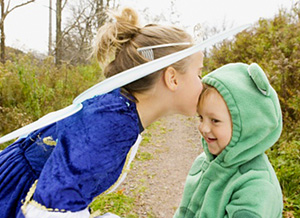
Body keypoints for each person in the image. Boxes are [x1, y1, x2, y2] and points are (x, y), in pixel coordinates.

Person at [0, 7, 204, 218]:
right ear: (172, 78)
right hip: (14, 199)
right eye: (199, 73)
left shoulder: (119, 111)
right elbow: (50, 210)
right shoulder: (113, 125)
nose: (203, 82)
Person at [174, 63, 283, 218]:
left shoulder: (256, 186)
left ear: (246, 126)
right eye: (201, 117)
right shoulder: (203, 162)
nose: (203, 128)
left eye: (215, 120)